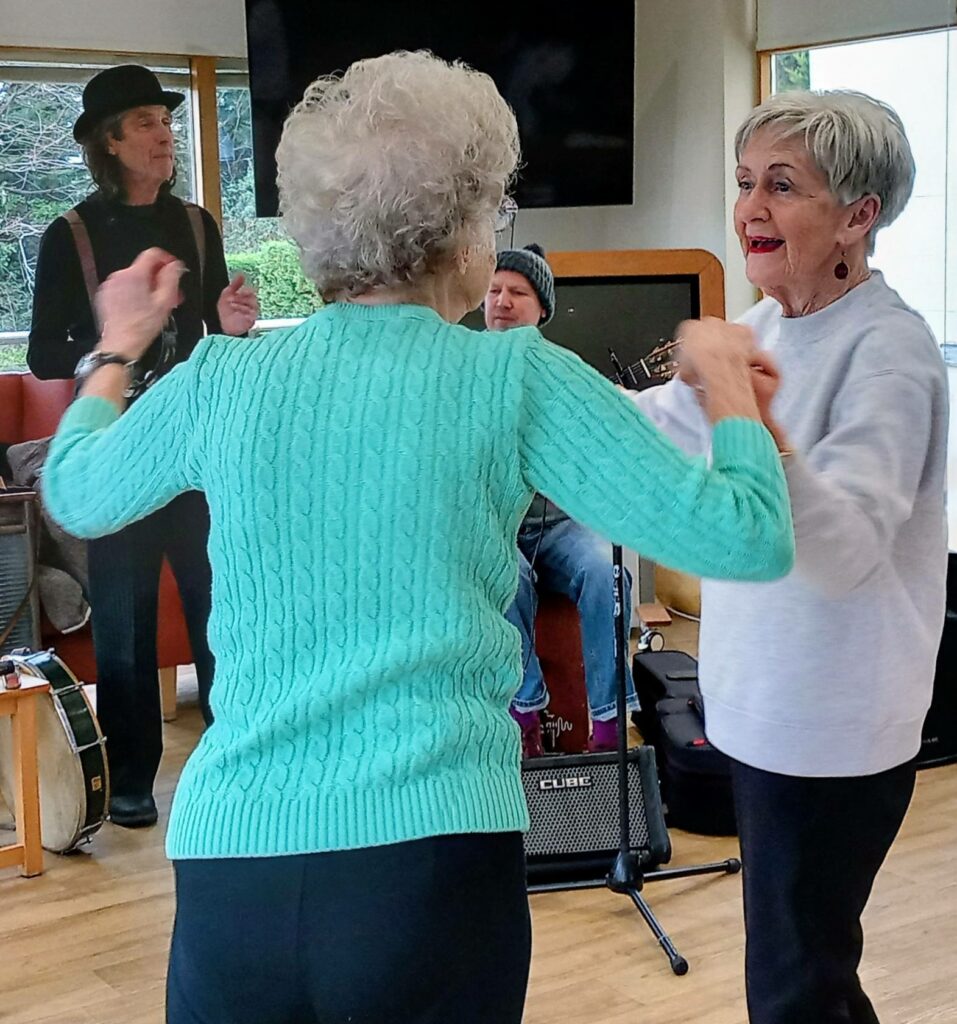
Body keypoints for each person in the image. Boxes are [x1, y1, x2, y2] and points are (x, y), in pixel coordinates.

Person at [42, 51, 793, 1024]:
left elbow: (76, 489)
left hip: (234, 866)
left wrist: (117, 346)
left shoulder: (223, 379)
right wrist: (728, 383)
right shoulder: (513, 377)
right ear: (465, 231)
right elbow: (747, 538)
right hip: (431, 861)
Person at [628, 90, 949, 1024]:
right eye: (742, 184)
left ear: (859, 214)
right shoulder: (767, 327)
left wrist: (746, 414)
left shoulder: (888, 352)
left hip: (835, 730)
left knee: (795, 985)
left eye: (781, 186)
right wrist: (525, 387)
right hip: (763, 711)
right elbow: (656, 429)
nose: (749, 209)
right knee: (800, 972)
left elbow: (842, 550)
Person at [27, 64, 259, 828]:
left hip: (196, 448)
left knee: (221, 605)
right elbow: (41, 356)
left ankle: (242, 755)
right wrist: (113, 350)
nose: (165, 134)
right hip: (124, 448)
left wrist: (227, 323)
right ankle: (129, 781)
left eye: (166, 121)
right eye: (148, 123)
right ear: (111, 141)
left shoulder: (198, 224)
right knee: (122, 621)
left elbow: (214, 339)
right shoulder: (70, 237)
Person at [485, 243, 637, 755]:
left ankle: (610, 723)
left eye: (517, 292)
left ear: (541, 309)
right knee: (503, 576)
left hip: (563, 524)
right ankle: (525, 710)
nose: (502, 301)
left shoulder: (566, 372)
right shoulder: (466, 372)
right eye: (494, 290)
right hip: (498, 525)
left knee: (606, 570)